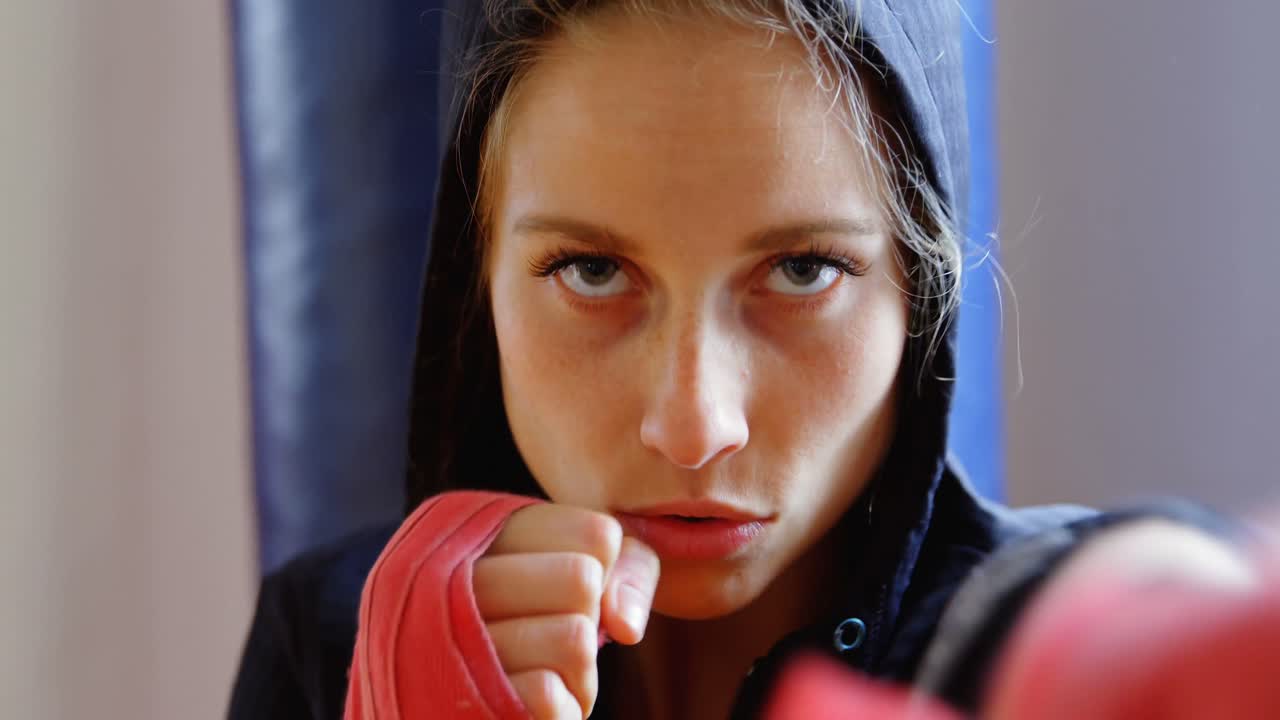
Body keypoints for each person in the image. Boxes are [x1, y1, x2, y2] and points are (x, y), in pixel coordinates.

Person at [228, 1, 1263, 718]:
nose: (692, 424)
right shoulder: (331, 642)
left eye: (803, 271)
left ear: (917, 291)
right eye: (589, 270)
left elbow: (1146, 609)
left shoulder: (1021, 641)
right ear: (479, 278)